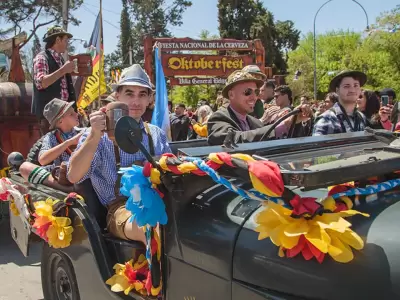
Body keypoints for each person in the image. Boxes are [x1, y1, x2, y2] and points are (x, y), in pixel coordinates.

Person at [67, 64, 171, 244]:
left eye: (142, 95)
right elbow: (74, 176)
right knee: (153, 228)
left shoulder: (156, 134)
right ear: (117, 97)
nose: (136, 102)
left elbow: (171, 171)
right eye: (129, 94)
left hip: (159, 200)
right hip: (121, 209)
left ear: (149, 100)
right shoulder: (97, 135)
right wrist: (94, 136)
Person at [207, 70, 311, 146]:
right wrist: (282, 124)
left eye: (256, 92)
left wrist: (295, 121)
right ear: (231, 95)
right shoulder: (218, 118)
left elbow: (280, 144)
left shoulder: (256, 123)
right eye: (247, 92)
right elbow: (234, 140)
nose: (254, 97)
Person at [19, 98, 81, 192]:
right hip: (61, 176)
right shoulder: (51, 137)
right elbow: (43, 160)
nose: (77, 114)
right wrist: (69, 142)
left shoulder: (83, 132)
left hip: (82, 173)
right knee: (25, 167)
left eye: (74, 112)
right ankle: (65, 188)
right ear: (60, 121)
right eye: (71, 114)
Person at [32, 26, 77, 135]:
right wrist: (63, 70)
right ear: (57, 40)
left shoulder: (61, 60)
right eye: (65, 40)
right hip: (49, 117)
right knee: (52, 148)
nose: (67, 44)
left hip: (63, 115)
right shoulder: (42, 58)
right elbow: (41, 83)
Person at [313, 70, 368, 136]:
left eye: (355, 85)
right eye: (346, 86)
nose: (352, 90)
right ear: (337, 90)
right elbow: (318, 145)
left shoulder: (361, 117)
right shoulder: (327, 119)